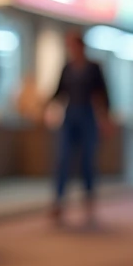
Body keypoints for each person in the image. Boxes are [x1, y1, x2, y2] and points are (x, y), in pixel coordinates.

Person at [50, 30, 110, 224]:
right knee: (63, 158)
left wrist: (105, 118)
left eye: (73, 45)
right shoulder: (67, 68)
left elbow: (104, 94)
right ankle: (58, 202)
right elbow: (58, 92)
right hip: (70, 115)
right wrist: (44, 105)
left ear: (81, 46)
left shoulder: (93, 68)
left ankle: (89, 202)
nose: (71, 49)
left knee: (87, 160)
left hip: (87, 116)